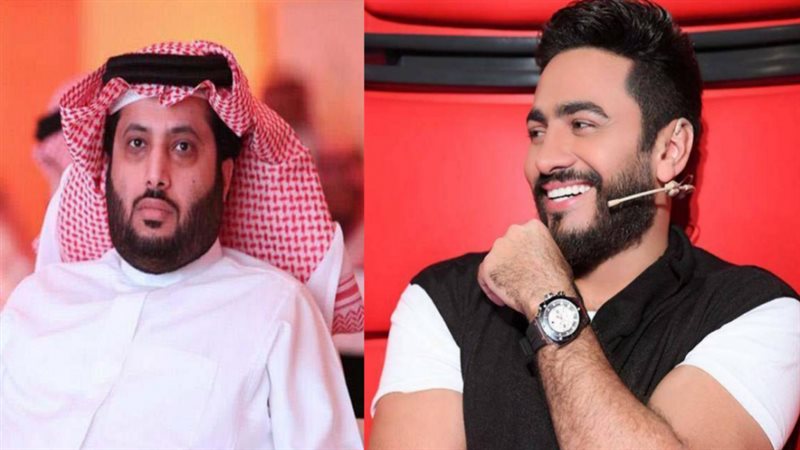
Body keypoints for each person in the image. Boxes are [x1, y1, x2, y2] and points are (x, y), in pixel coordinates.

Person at [370, 1, 800, 449]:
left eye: (582, 124)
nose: (545, 158)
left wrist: (546, 298)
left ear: (669, 150)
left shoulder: (756, 313)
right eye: (537, 132)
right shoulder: (446, 301)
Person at [1, 41, 362, 449]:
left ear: (225, 178)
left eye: (182, 147)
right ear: (108, 168)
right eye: (136, 144)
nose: (156, 174)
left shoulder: (277, 311)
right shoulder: (35, 303)